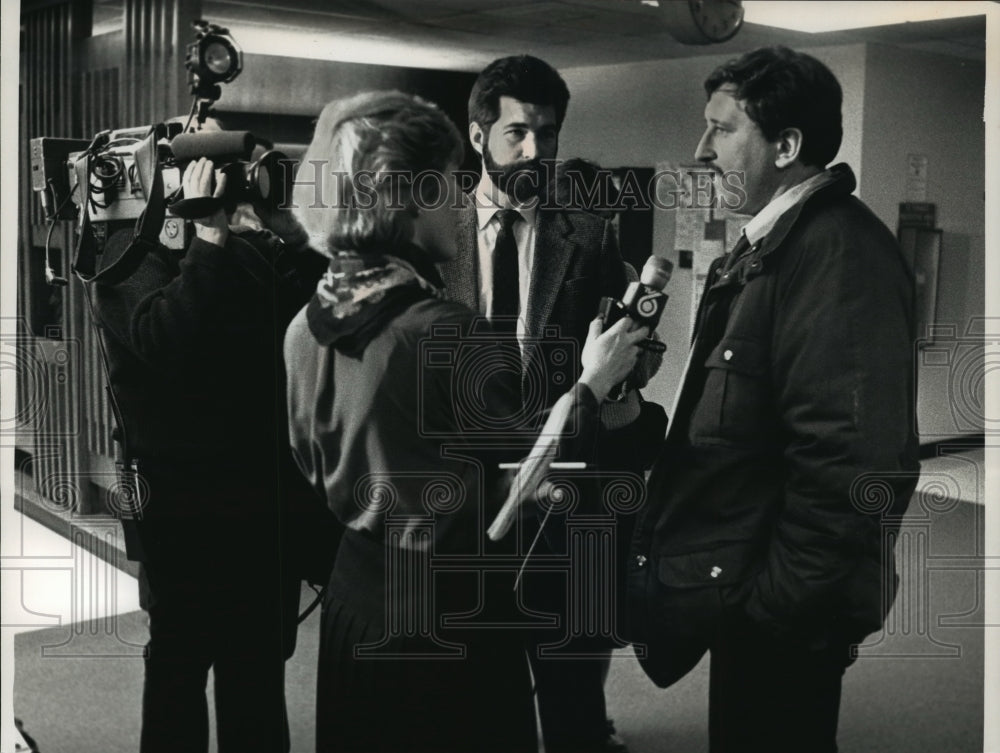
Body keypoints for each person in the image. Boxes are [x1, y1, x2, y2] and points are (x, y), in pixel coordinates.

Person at [283, 90, 649, 753]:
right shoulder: (442, 329)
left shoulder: (303, 324)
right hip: (445, 611)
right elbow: (524, 482)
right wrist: (593, 380)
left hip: (354, 592)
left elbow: (308, 463)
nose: (461, 199)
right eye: (449, 182)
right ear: (409, 196)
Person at [627, 46, 920, 753]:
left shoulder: (837, 257)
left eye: (723, 130)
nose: (702, 150)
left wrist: (772, 611)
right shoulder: (774, 247)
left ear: (787, 145)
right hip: (750, 587)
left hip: (781, 612)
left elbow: (851, 470)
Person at [440, 55, 656, 753]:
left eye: (549, 134)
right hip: (465, 502)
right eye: (519, 133)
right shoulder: (430, 233)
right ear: (479, 137)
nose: (536, 151)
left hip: (567, 497)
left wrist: (628, 366)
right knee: (476, 693)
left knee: (572, 691)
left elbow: (615, 364)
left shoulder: (589, 234)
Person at [87, 150, 336, 752]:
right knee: (179, 669)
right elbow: (167, 341)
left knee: (256, 673)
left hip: (261, 504)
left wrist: (287, 233)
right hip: (183, 512)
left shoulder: (245, 251)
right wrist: (207, 238)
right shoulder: (125, 257)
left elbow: (312, 316)